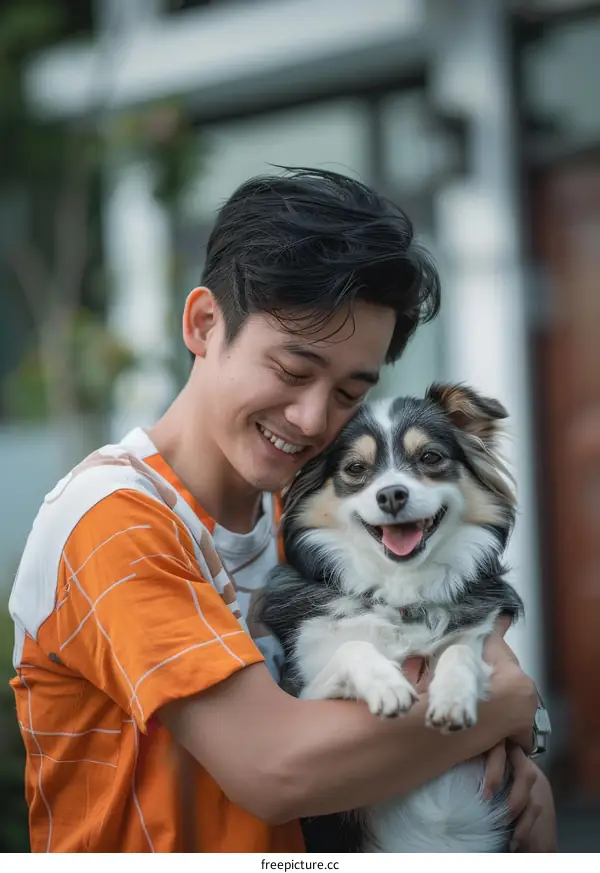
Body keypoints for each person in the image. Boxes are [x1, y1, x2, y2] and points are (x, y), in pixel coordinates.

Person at [9, 168, 556, 853]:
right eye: (293, 371)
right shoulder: (113, 520)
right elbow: (274, 768)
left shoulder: (308, 514)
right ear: (205, 324)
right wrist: (509, 706)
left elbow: (471, 646)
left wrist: (516, 752)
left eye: (349, 392)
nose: (311, 418)